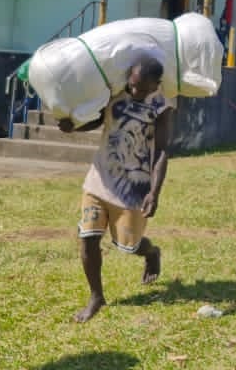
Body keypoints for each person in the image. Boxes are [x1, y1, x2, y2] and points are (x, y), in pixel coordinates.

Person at [58, 55, 172, 323]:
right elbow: (97, 121)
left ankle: (152, 253)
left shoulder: (162, 107)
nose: (135, 92)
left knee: (128, 246)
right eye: (132, 85)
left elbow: (162, 150)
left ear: (156, 84)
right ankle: (96, 296)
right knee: (87, 237)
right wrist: (73, 125)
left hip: (134, 188)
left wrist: (154, 193)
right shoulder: (114, 94)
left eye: (142, 88)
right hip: (99, 178)